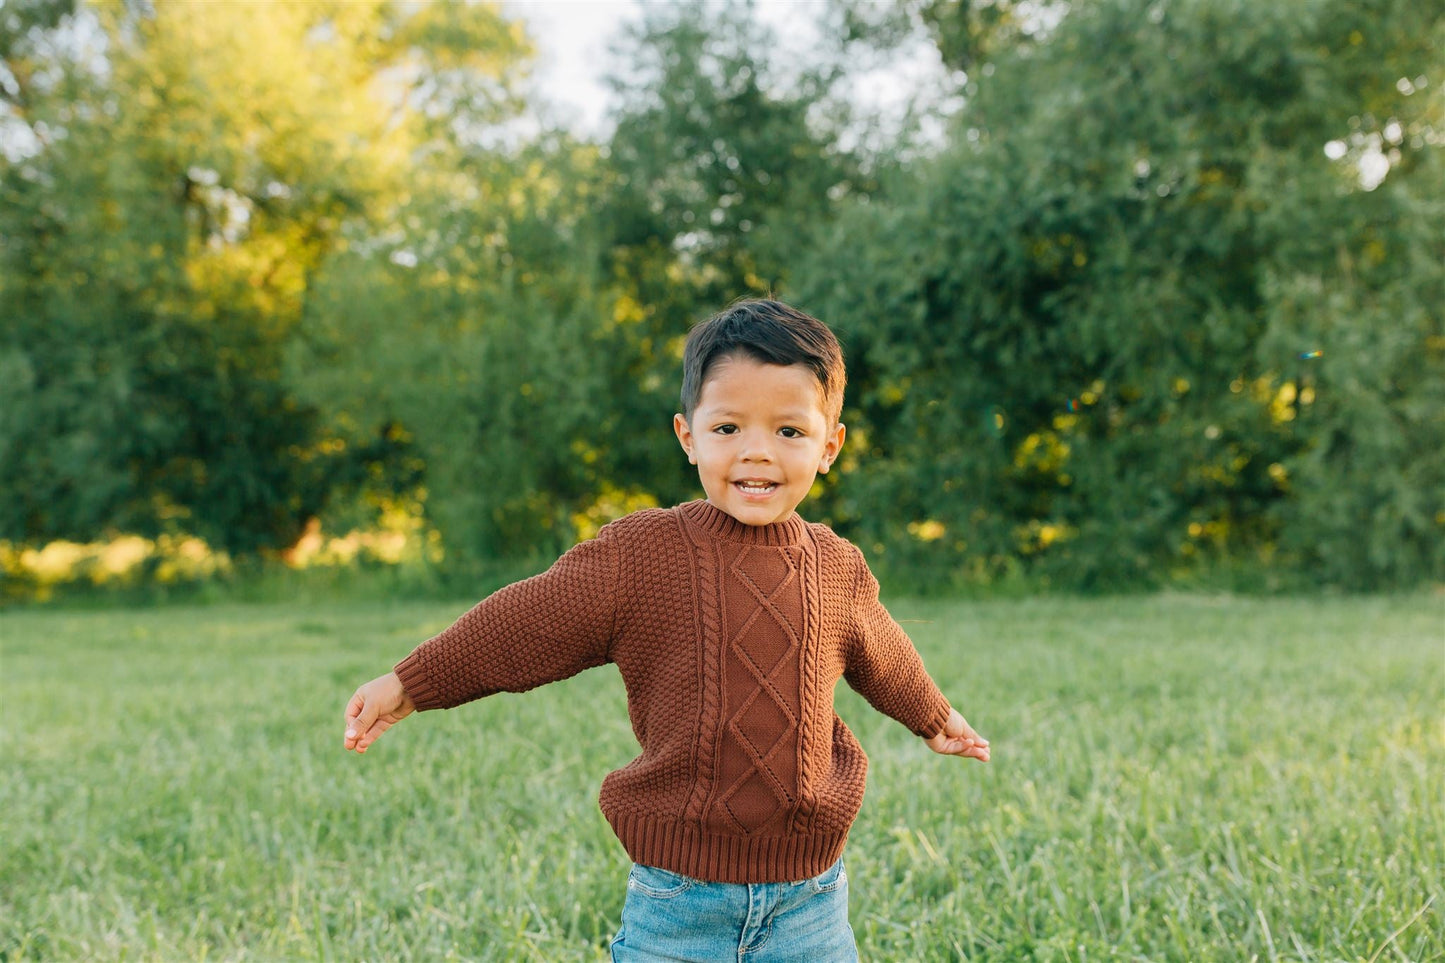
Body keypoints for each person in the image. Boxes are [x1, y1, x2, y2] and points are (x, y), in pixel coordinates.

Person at [343, 299, 990, 961]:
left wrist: (933, 716)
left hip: (810, 903)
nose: (757, 452)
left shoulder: (835, 564)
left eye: (789, 431)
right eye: (729, 427)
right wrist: (412, 682)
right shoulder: (645, 553)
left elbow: (883, 652)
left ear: (829, 445)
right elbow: (529, 619)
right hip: (679, 903)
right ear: (689, 436)